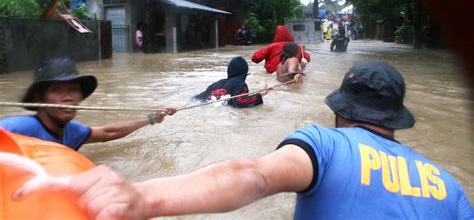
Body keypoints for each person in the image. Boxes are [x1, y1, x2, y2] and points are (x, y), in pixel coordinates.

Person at [21, 61, 473, 219]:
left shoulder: (327, 144)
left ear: (339, 110)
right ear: (397, 118)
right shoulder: (450, 186)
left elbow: (250, 174)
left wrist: (140, 197)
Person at [0, 57, 176, 150]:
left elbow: (108, 132)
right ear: (39, 98)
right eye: (56, 90)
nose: (67, 97)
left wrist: (154, 118)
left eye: (73, 89)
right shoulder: (16, 128)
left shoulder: (72, 132)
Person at [193, 56, 270, 108]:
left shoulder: (215, 84)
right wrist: (262, 93)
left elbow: (196, 99)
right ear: (243, 74)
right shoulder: (240, 84)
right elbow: (240, 102)